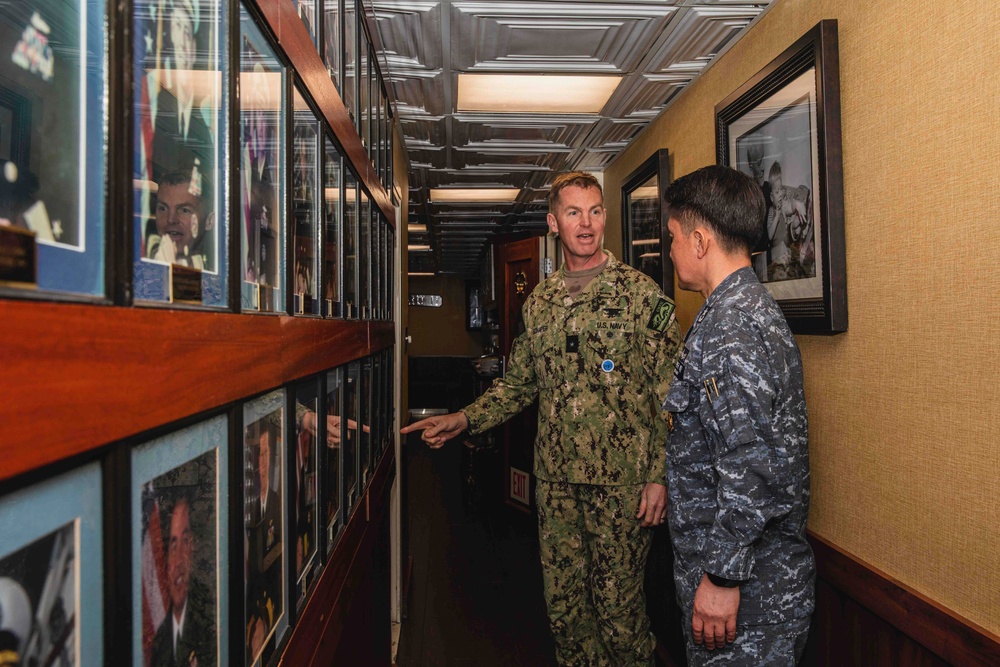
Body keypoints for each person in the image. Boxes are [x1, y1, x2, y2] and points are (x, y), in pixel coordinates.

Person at [402, 171, 683, 667]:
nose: (587, 223)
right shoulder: (541, 304)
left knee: (619, 618)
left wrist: (658, 478)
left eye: (595, 211)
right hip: (555, 487)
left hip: (622, 489)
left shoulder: (641, 296)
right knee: (566, 615)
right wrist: (464, 419)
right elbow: (518, 385)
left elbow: (672, 397)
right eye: (574, 213)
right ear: (554, 223)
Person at [661, 165, 814, 665]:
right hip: (737, 580)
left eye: (673, 238)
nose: (671, 250)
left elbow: (751, 466)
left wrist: (722, 577)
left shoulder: (733, 328)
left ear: (700, 241)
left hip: (748, 595)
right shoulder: (733, 311)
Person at [150, 495, 216, 667]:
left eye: (185, 541)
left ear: (193, 548)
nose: (179, 560)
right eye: (173, 546)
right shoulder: (158, 640)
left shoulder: (208, 615)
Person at [147, 170, 216, 270]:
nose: (171, 219)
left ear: (209, 221)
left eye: (184, 210)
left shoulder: (216, 282)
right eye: (163, 208)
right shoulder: (137, 272)